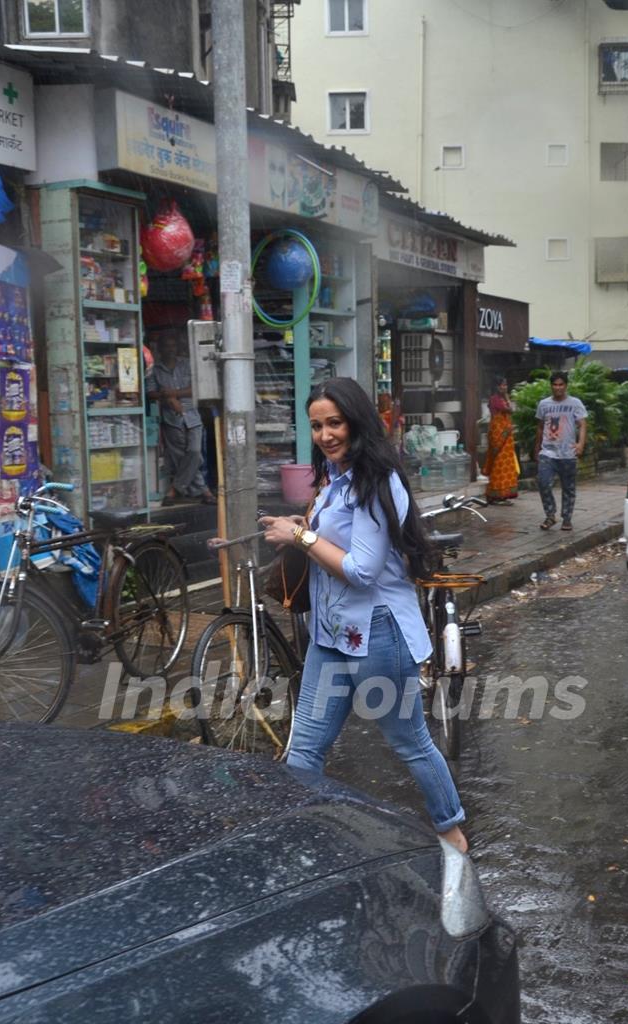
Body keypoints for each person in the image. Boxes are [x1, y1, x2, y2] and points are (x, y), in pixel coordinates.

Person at [260, 377, 469, 855]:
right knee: (305, 745)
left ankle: (452, 833)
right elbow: (332, 540)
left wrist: (302, 540)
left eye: (334, 423)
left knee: (408, 740)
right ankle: (288, 841)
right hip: (330, 634)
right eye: (316, 426)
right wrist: (300, 526)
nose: (325, 435)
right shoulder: (334, 480)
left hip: (378, 633)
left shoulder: (378, 482)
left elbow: (361, 570)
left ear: (355, 421)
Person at [145, 330, 216, 505]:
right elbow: (150, 393)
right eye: (166, 346)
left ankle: (174, 490)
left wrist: (173, 393)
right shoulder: (155, 370)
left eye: (173, 346)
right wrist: (168, 398)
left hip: (192, 416)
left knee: (194, 452)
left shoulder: (187, 365)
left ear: (177, 348)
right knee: (179, 456)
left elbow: (197, 388)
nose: (170, 349)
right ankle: (205, 491)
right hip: (171, 418)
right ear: (160, 349)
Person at [534, 371, 588, 531]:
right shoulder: (544, 404)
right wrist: (536, 446)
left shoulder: (575, 403)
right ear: (551, 386)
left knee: (568, 487)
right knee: (543, 482)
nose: (558, 388)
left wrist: (580, 444)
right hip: (547, 452)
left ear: (566, 386)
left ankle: (567, 518)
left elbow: (583, 424)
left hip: (567, 453)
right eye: (555, 384)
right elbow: (539, 426)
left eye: (561, 384)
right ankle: (550, 515)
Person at [482, 376, 519, 504]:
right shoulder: (495, 399)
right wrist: (507, 398)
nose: (504, 387)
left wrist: (507, 397)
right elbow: (510, 410)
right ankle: (495, 495)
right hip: (498, 435)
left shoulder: (502, 398)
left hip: (506, 435)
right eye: (502, 385)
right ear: (496, 387)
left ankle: (503, 495)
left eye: (505, 385)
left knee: (506, 465)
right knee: (499, 465)